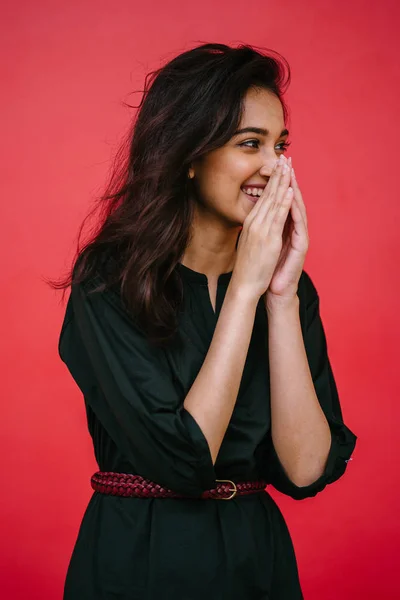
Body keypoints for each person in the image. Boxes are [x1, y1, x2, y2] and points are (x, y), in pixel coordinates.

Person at [52, 42, 357, 599]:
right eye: (250, 144)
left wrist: (281, 296)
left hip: (254, 559)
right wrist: (243, 292)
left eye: (281, 145)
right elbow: (184, 459)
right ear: (189, 155)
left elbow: (308, 467)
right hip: (141, 556)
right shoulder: (108, 281)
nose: (275, 166)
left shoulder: (285, 289)